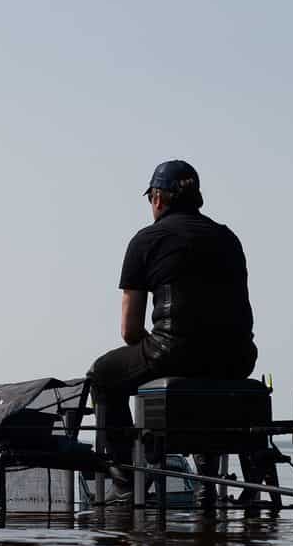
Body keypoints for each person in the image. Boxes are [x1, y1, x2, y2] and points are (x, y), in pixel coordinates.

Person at [89, 160, 257, 492]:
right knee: (200, 375)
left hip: (174, 353)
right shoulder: (228, 238)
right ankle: (208, 465)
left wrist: (158, 348)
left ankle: (124, 472)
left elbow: (130, 330)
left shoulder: (147, 240)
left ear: (157, 199)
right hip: (237, 359)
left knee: (102, 375)